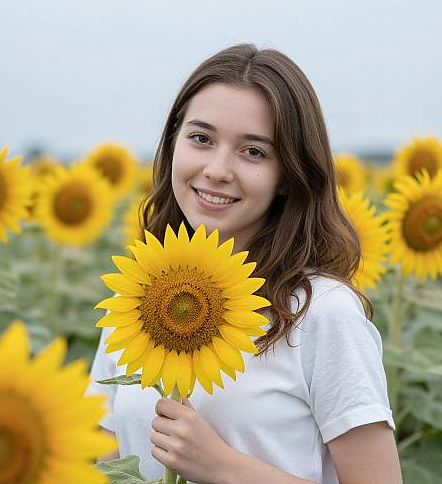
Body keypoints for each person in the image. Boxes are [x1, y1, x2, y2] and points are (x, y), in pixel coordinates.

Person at [86, 43, 403, 484]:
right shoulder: (138, 292)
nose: (217, 169)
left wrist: (223, 468)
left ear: (290, 176)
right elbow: (102, 462)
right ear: (173, 143)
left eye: (253, 152)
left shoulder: (322, 313)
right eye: (201, 138)